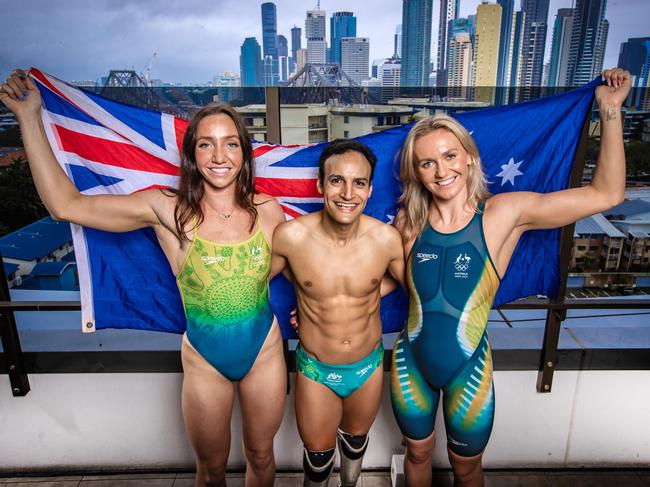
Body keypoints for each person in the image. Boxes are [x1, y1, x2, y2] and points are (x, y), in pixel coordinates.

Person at [0, 69, 287, 487]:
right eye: (206, 144)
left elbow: (286, 268)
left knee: (262, 458)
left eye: (231, 144)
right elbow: (67, 205)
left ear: (245, 152)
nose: (219, 156)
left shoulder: (269, 210)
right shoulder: (166, 209)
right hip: (206, 360)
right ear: (192, 154)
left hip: (264, 351)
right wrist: (29, 118)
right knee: (210, 471)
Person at [389, 68, 631, 487]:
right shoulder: (407, 222)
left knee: (466, 467)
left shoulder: (503, 214)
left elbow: (606, 195)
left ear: (468, 156)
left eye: (449, 156)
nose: (440, 170)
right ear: (416, 172)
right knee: (417, 453)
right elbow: (382, 280)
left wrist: (609, 112)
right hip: (411, 362)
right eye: (427, 162)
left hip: (469, 368)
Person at [271, 139, 405, 487]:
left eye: (359, 182)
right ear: (320, 184)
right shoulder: (290, 237)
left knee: (355, 445)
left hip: (368, 366)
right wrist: (306, 300)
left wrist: (370, 291)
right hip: (317, 370)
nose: (348, 192)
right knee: (317, 462)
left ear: (370, 188)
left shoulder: (387, 239)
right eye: (336, 181)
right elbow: (252, 285)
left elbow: (419, 288)